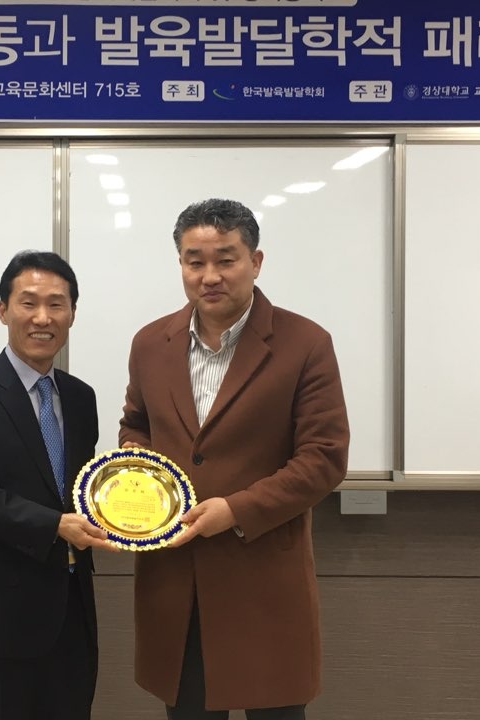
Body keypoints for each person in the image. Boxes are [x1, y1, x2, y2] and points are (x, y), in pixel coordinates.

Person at [119, 199, 350, 720]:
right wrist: (140, 468)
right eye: (194, 261)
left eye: (226, 259)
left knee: (275, 710)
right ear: (180, 264)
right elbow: (136, 423)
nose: (209, 276)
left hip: (263, 574)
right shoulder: (150, 343)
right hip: (175, 576)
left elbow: (324, 457)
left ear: (256, 261)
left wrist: (235, 510)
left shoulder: (305, 343)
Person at [0, 250, 116, 720]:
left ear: (72, 313)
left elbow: (79, 488)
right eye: (28, 302)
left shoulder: (80, 397)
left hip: (70, 607)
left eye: (56, 304)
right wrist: (55, 525)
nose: (42, 318)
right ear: (3, 310)